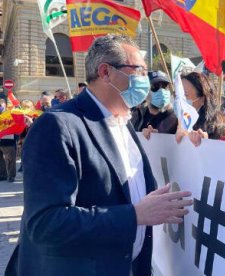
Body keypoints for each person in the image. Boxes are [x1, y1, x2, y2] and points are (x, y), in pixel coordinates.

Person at [5, 34, 193, 276]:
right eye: (139, 70)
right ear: (105, 72)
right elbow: (46, 223)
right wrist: (135, 215)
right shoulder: (57, 125)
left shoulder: (124, 123)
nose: (145, 80)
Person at [179, 72, 225, 140]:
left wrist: (206, 144)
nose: (178, 100)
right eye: (176, 94)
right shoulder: (170, 124)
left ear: (202, 99)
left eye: (184, 95)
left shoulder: (217, 130)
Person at [131, 70, 178, 139]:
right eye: (155, 86)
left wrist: (157, 138)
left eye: (165, 86)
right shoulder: (137, 114)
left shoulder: (178, 119)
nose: (161, 91)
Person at [0, 99, 17, 182]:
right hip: (3, 140)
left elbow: (17, 126)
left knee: (10, 159)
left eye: (1, 105)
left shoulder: (11, 114)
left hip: (8, 140)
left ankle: (11, 176)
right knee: (1, 160)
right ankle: (2, 175)